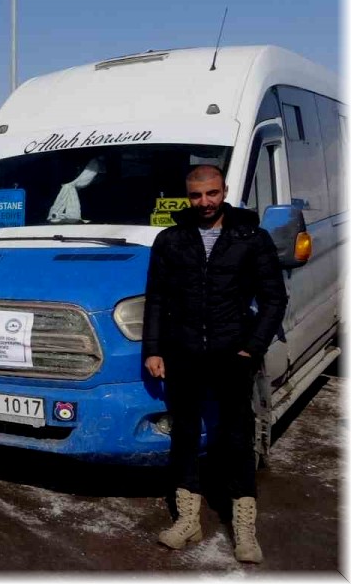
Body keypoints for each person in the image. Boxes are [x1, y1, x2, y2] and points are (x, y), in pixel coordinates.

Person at [142, 164, 287, 564]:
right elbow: (156, 299)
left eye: (212, 193)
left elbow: (274, 298)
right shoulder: (170, 240)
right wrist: (153, 350)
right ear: (187, 196)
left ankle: (243, 527)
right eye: (196, 195)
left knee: (237, 437)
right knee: (185, 435)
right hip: (183, 352)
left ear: (224, 191)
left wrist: (252, 346)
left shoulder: (251, 238)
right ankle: (187, 520)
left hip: (232, 354)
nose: (204, 202)